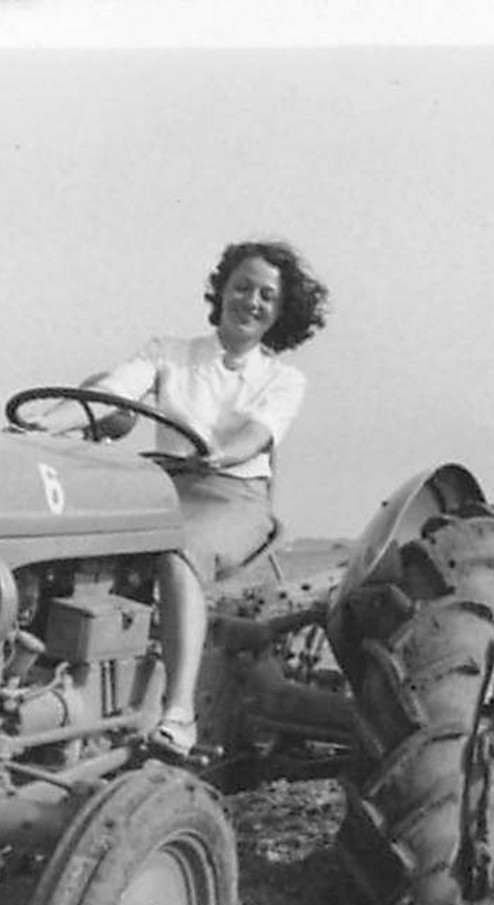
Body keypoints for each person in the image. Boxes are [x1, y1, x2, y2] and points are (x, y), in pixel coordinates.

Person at [22, 239, 329, 755]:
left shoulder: (283, 379)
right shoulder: (169, 353)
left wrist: (222, 455)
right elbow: (111, 397)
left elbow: (258, 434)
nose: (251, 301)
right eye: (242, 287)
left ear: (280, 311)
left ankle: (179, 713)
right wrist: (44, 425)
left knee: (179, 549)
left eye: (266, 296)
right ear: (222, 291)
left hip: (232, 494)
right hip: (160, 486)